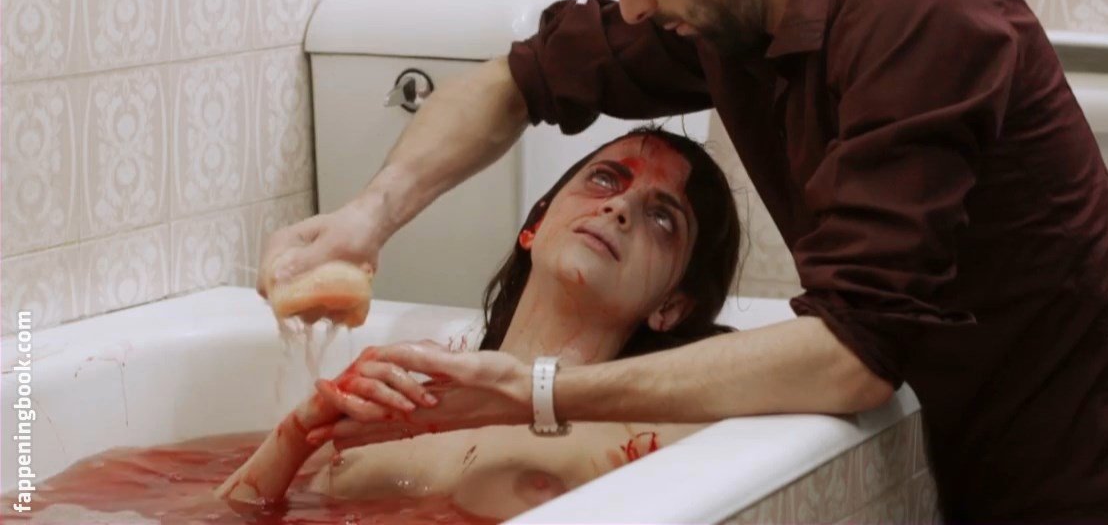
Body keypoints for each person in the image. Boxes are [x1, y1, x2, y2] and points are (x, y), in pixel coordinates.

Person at [261, 0, 1108, 522]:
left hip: (1105, 497)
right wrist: (366, 219)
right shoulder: (735, 14)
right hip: (979, 473)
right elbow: (514, 82)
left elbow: (852, 356)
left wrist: (536, 391)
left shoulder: (918, 8)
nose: (629, 3)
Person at [222, 128, 740, 521]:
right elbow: (235, 514)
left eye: (663, 218)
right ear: (534, 225)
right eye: (606, 179)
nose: (620, 206)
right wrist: (301, 431)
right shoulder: (402, 411)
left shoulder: (653, 435)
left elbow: (766, 379)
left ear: (671, 308)